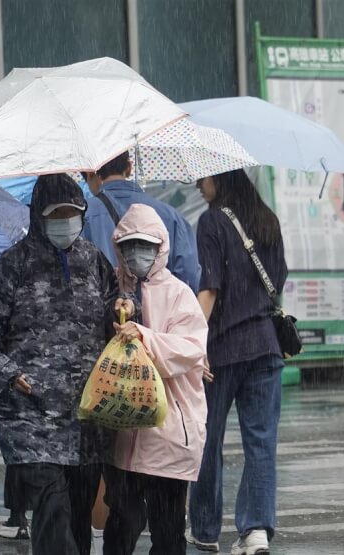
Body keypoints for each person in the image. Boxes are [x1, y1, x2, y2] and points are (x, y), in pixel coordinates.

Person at [0, 173, 119, 555]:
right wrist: (9, 374)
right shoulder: (13, 265)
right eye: (57, 213)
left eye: (74, 212)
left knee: (78, 520)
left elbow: (116, 321)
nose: (66, 221)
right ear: (38, 215)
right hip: (31, 419)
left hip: (88, 419)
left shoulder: (94, 261)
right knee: (52, 512)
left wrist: (128, 314)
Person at [188, 169, 287, 555]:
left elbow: (209, 290)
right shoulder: (268, 221)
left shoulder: (212, 221)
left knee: (207, 441)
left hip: (222, 350)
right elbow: (277, 281)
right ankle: (256, 529)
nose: (199, 184)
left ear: (222, 180)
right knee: (261, 443)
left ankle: (206, 529)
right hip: (265, 346)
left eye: (203, 178)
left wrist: (192, 343)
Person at [102, 203, 208, 555]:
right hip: (124, 436)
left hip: (168, 438)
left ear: (160, 246)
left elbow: (191, 348)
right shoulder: (111, 291)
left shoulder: (179, 293)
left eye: (145, 246)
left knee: (168, 534)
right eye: (129, 246)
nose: (137, 254)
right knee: (122, 525)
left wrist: (144, 337)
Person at [81, 150, 201, 292]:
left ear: (90, 173)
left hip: (106, 311)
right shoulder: (172, 217)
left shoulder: (82, 217)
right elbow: (188, 278)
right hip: (161, 311)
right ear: (129, 168)